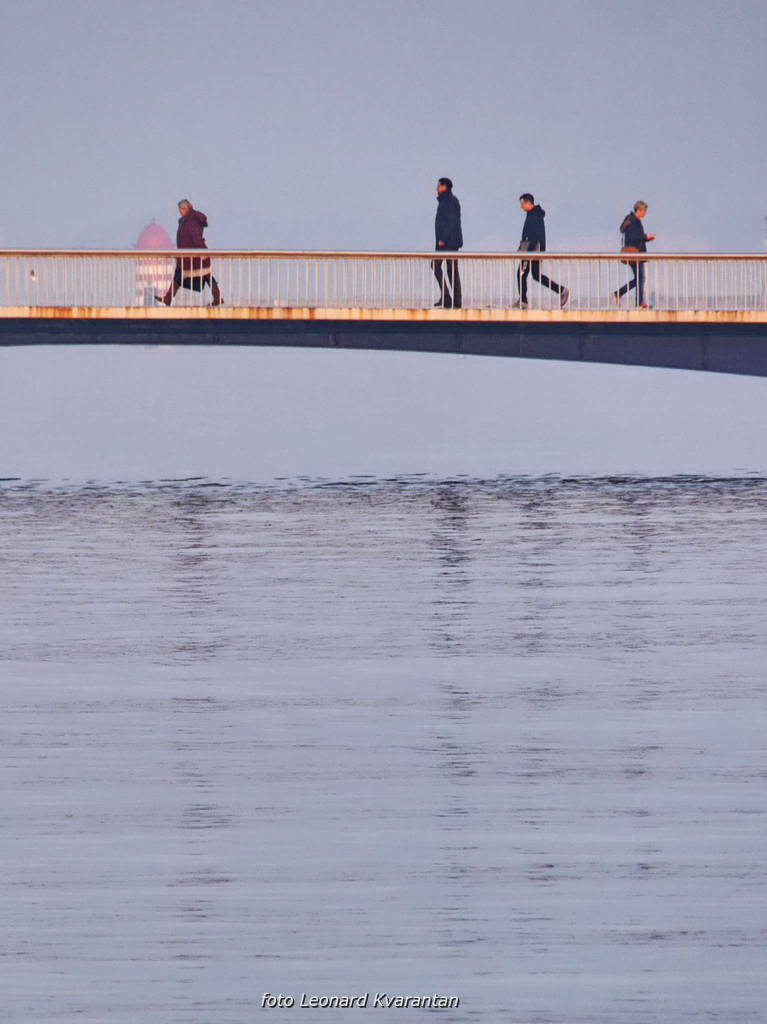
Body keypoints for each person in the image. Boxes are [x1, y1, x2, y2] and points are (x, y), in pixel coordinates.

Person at [156, 199, 222, 306]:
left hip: (194, 255)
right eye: (180, 210)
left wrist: (202, 252)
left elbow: (196, 238)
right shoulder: (189, 220)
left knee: (204, 275)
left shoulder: (190, 221)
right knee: (198, 275)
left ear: (187, 208)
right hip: (189, 255)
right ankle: (168, 298)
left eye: (182, 209)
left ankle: (217, 297)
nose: (180, 212)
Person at [514, 194, 569, 309]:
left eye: (522, 204)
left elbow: (533, 236)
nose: (521, 207)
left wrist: (527, 251)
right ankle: (561, 290)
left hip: (532, 251)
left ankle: (523, 301)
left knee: (521, 274)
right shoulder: (535, 214)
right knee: (536, 275)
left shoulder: (534, 215)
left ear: (528, 203)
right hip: (535, 250)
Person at [613, 201, 655, 307]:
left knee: (640, 278)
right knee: (640, 278)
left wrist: (646, 239)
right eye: (644, 211)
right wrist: (646, 237)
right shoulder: (633, 221)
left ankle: (631, 299)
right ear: (639, 210)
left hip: (635, 253)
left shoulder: (632, 220)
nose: (645, 213)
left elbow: (634, 238)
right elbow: (633, 238)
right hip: (635, 254)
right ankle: (636, 301)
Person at [432, 178, 463, 309]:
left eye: (438, 185)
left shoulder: (448, 201)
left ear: (444, 187)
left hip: (447, 242)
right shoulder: (449, 200)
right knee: (451, 269)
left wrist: (442, 239)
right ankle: (453, 299)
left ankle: (448, 297)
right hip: (451, 240)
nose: (436, 188)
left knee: (436, 265)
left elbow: (449, 221)